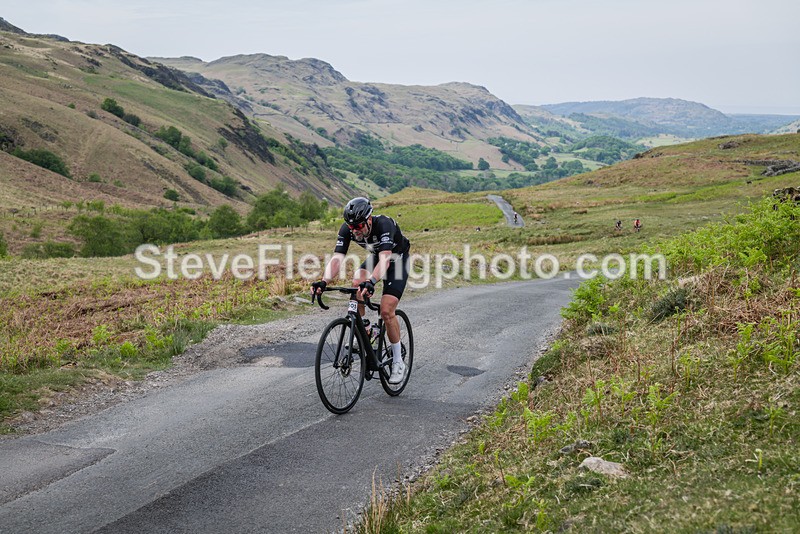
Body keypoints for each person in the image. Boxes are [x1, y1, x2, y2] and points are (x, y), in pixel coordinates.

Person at [311, 197, 411, 384]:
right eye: (351, 227)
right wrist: (324, 281)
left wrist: (372, 281)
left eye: (358, 226)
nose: (354, 230)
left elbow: (385, 260)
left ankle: (398, 361)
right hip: (377, 257)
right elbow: (337, 258)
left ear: (369, 219)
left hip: (397, 260)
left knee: (386, 310)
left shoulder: (384, 224)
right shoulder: (348, 229)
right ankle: (366, 328)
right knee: (357, 281)